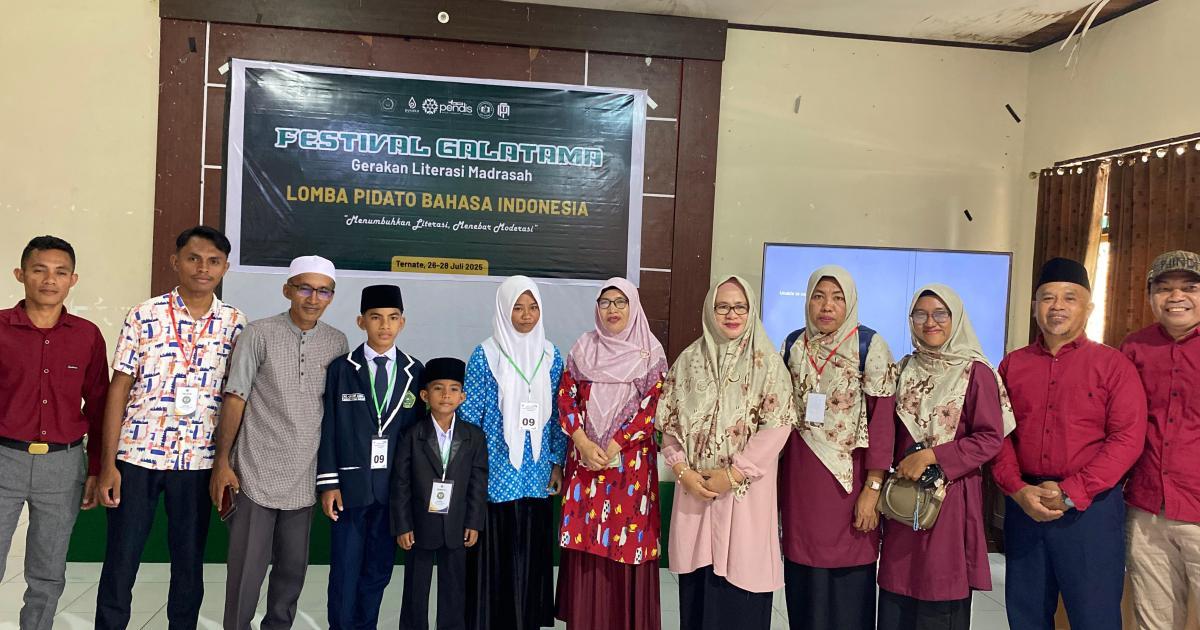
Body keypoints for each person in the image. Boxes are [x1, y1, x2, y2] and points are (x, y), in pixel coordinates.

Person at [92, 226, 246, 629]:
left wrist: (226, 461)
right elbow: (118, 388)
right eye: (193, 258)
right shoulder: (144, 314)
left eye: (213, 261)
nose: (203, 268)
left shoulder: (235, 322)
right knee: (121, 559)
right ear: (175, 262)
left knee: (189, 563)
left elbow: (237, 396)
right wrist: (108, 465)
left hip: (199, 461)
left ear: (225, 268)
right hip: (136, 456)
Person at [992, 257, 1147, 630]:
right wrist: (1017, 490)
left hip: (1090, 510)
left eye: (1069, 298)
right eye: (1048, 297)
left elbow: (1127, 439)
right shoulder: (1012, 365)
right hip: (1025, 506)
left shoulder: (1113, 366)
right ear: (1035, 306)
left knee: (1095, 617)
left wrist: (1071, 492)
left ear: (1088, 307)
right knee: (1026, 615)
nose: (1057, 306)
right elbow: (997, 435)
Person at [210, 255, 349, 630]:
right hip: (253, 472)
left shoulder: (337, 342)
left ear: (332, 296)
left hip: (303, 477)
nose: (313, 298)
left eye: (323, 291)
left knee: (291, 574)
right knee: (246, 573)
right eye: (304, 288)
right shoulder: (259, 333)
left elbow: (334, 414)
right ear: (287, 290)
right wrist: (222, 462)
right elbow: (235, 397)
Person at [659, 275, 797, 630]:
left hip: (744, 498)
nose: (731, 314)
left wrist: (734, 474)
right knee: (697, 597)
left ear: (751, 311)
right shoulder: (688, 361)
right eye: (723, 307)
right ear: (710, 310)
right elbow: (669, 427)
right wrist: (682, 472)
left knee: (740, 598)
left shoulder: (767, 364)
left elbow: (777, 427)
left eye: (740, 307)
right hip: (696, 495)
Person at [875, 284, 1013, 630]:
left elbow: (989, 438)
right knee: (898, 591)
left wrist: (933, 456)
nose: (930, 322)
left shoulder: (976, 372)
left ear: (956, 318)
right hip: (904, 497)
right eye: (920, 314)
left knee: (940, 593)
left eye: (940, 314)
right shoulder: (904, 368)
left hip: (950, 500)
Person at [778, 266, 896, 630]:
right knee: (803, 581)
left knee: (848, 585)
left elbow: (882, 423)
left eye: (837, 297)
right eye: (818, 296)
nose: (827, 306)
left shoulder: (869, 346)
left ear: (851, 302)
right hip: (800, 486)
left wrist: (872, 489)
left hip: (850, 485)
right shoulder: (794, 344)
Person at [0, 235, 108, 630]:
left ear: (73, 279)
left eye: (61, 272)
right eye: (39, 270)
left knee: (47, 572)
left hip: (63, 465)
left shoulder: (87, 335)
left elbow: (99, 406)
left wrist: (96, 468)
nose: (50, 280)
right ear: (20, 274)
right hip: (4, 458)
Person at [556, 278, 668, 630]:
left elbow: (653, 408)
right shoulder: (583, 347)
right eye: (605, 302)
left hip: (629, 469)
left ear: (633, 306)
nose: (613, 309)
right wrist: (583, 442)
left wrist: (615, 443)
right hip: (585, 463)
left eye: (621, 302)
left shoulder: (650, 352)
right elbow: (565, 399)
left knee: (626, 539)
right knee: (588, 540)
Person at [460, 275, 568, 630]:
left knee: (531, 547)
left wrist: (556, 462)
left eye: (533, 307)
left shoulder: (551, 356)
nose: (526, 315)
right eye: (518, 308)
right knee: (497, 550)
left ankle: (528, 620)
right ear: (504, 310)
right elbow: (470, 418)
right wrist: (474, 470)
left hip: (536, 472)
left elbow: (559, 417)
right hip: (496, 470)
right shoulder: (485, 355)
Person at [317, 284, 424, 630]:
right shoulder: (341, 369)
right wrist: (329, 483)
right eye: (376, 317)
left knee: (378, 570)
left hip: (392, 491)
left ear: (402, 323)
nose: (384, 325)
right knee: (345, 570)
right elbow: (329, 427)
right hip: (350, 489)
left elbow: (417, 437)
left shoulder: (414, 371)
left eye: (393, 318)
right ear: (361, 321)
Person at [1120, 250, 1200, 630]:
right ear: (1150, 296)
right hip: (1147, 507)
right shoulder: (1134, 348)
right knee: (1154, 620)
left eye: (1190, 287)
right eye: (1164, 288)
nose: (1176, 297)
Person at [393, 357, 488, 630]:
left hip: (457, 525)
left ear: (462, 397)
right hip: (419, 525)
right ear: (425, 395)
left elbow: (478, 483)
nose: (446, 395)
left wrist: (473, 522)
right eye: (438, 388)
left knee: (454, 588)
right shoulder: (412, 435)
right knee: (415, 588)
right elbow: (401, 484)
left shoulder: (474, 437)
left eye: (454, 389)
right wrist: (403, 525)